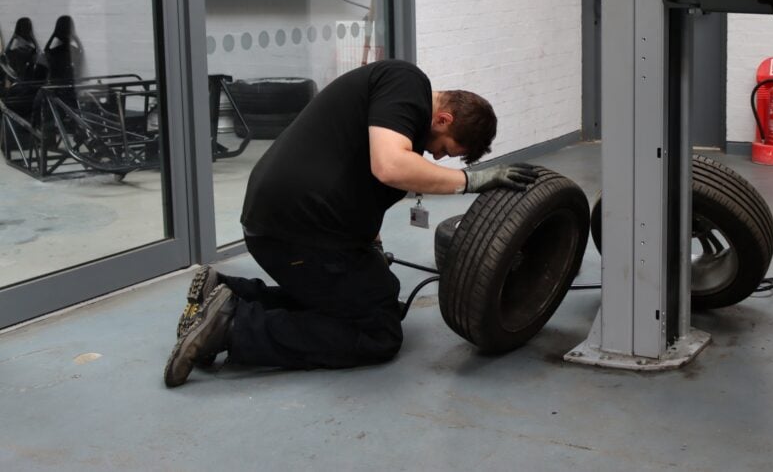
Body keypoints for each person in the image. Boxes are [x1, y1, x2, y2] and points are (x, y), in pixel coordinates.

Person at [164, 59, 537, 387]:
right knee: (378, 333)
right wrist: (472, 181)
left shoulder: (395, 107)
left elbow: (357, 172)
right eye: (444, 148)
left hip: (298, 224)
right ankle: (231, 328)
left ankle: (232, 292)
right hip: (297, 231)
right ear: (443, 118)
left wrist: (368, 241)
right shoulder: (406, 82)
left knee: (381, 295)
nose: (436, 156)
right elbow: (389, 167)